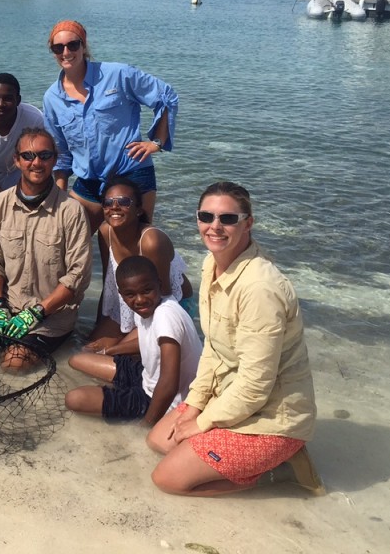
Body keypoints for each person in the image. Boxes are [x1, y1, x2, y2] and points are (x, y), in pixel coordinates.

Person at [147, 181, 318, 496]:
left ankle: (281, 471)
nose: (214, 227)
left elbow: (255, 386)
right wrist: (196, 405)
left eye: (227, 219)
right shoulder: (212, 263)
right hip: (235, 396)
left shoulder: (259, 289)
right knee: (158, 441)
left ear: (248, 223)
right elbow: (213, 348)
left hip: (272, 416)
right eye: (206, 216)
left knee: (168, 479)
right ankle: (240, 459)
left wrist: (201, 423)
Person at [0, 127, 92, 370]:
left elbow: (77, 276)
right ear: (16, 161)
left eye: (44, 155)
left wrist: (37, 313)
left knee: (14, 363)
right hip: (8, 303)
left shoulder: (71, 211)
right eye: (28, 156)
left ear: (54, 159)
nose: (36, 162)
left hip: (51, 314)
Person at [42, 19, 178, 231]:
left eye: (73, 45)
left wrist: (157, 143)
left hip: (131, 173)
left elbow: (166, 96)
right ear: (53, 52)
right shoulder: (52, 98)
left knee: (133, 248)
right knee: (65, 239)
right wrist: (59, 196)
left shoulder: (118, 74)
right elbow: (61, 154)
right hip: (88, 180)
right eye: (58, 47)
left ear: (83, 46)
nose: (66, 52)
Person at [65, 256, 201, 424]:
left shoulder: (166, 316)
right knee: (77, 360)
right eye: (130, 294)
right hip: (147, 377)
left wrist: (147, 425)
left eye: (146, 291)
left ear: (159, 284)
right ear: (121, 294)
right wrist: (110, 351)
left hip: (165, 399)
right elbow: (150, 341)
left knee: (74, 399)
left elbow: (169, 384)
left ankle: (128, 402)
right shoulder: (150, 308)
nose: (140, 299)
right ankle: (121, 393)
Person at [85, 176, 194, 359]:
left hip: (168, 304)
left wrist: (118, 347)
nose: (115, 207)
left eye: (124, 202)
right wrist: (98, 326)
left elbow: (163, 300)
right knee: (89, 349)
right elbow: (109, 284)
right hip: (132, 303)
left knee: (123, 358)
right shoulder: (105, 232)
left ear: (138, 210)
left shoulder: (152, 241)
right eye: (108, 203)